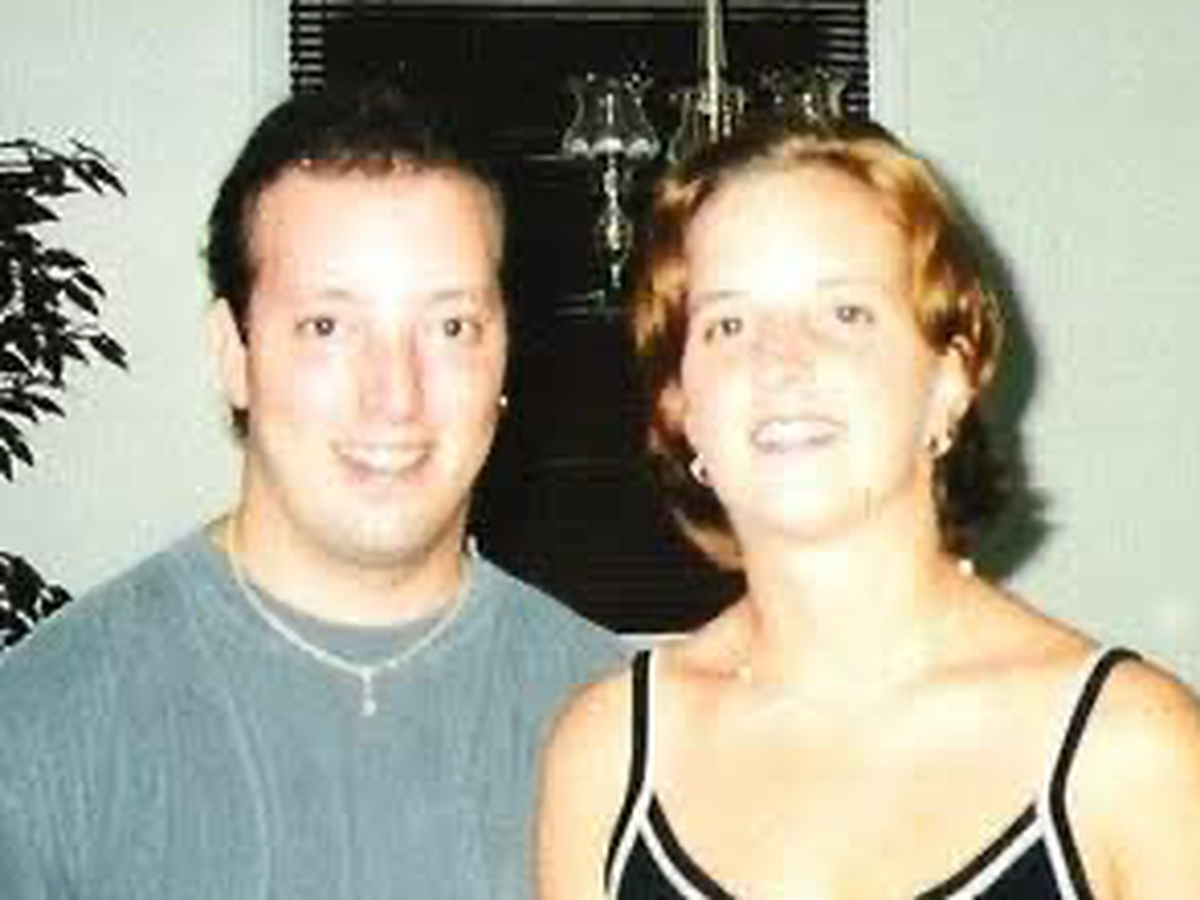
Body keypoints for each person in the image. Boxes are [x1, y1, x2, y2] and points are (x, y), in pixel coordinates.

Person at [536, 117, 1200, 899]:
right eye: (728, 324)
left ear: (949, 381)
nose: (780, 361)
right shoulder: (607, 756)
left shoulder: (1130, 751)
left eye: (844, 312)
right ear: (681, 410)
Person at [0, 84, 624, 899]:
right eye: (327, 327)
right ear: (235, 356)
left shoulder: (620, 722)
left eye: (451, 327)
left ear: (506, 358)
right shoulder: (43, 730)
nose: (394, 395)